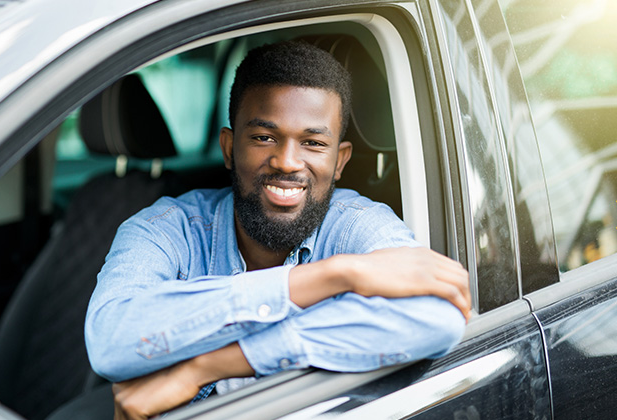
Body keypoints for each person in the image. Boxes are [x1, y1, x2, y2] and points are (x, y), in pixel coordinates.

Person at [84, 41, 471, 420]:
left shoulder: (357, 224)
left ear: (340, 162)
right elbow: (110, 340)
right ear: (229, 147)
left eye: (313, 142)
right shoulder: (166, 228)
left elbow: (438, 318)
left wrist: (209, 366)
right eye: (264, 137)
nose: (287, 162)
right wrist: (333, 276)